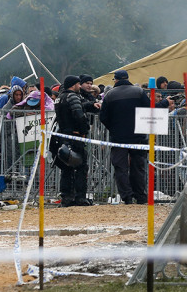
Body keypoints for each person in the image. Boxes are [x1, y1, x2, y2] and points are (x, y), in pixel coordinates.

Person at [99, 70, 150, 205]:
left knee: (120, 167)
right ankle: (141, 197)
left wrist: (114, 128)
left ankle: (127, 197)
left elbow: (103, 117)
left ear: (115, 80)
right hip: (138, 136)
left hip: (118, 138)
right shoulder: (139, 92)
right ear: (127, 78)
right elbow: (149, 110)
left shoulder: (109, 95)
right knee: (138, 167)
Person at [54, 75, 91, 206]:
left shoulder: (59, 98)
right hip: (75, 136)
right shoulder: (72, 96)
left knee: (66, 167)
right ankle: (80, 197)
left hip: (63, 136)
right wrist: (84, 130)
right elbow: (78, 115)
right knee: (81, 166)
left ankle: (66, 197)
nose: (80, 86)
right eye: (78, 84)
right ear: (73, 85)